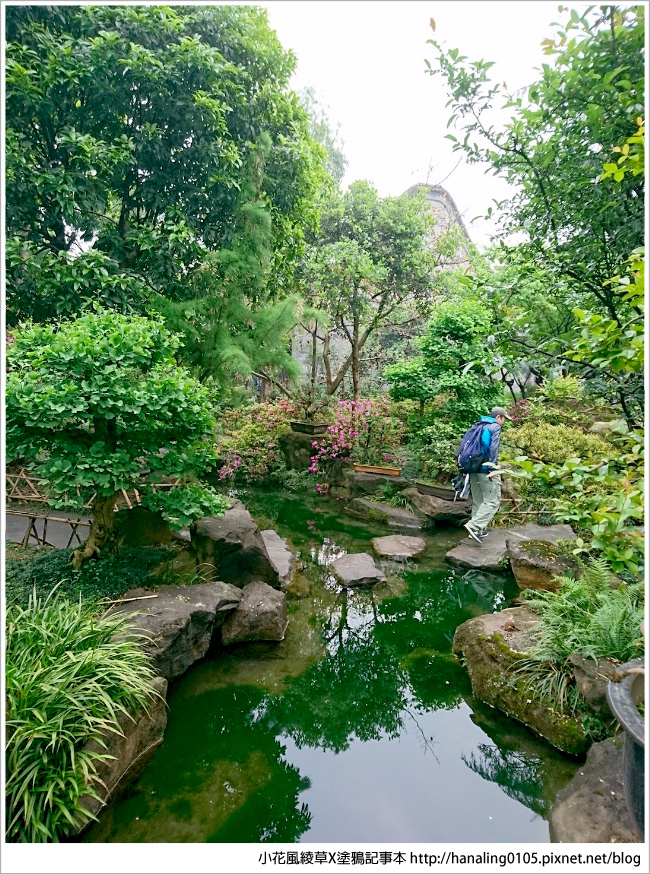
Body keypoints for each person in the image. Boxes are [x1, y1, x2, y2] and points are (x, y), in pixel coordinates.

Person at [463, 406, 511, 544]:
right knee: (492, 501)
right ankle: (474, 526)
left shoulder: (478, 425)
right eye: (504, 419)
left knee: (479, 500)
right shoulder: (494, 427)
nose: (504, 422)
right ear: (498, 417)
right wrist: (493, 468)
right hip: (485, 469)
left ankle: (476, 531)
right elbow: (492, 448)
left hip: (473, 468)